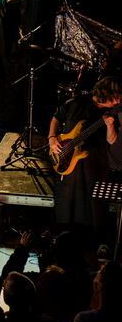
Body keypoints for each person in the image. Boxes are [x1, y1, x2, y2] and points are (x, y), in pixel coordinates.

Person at [48, 76, 122, 235]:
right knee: (67, 202)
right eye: (115, 98)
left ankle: (92, 239)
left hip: (95, 163)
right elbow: (56, 117)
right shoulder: (77, 102)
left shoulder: (112, 112)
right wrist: (52, 138)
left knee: (91, 206)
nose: (117, 101)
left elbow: (112, 140)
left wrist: (110, 125)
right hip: (68, 161)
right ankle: (63, 235)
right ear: (106, 94)